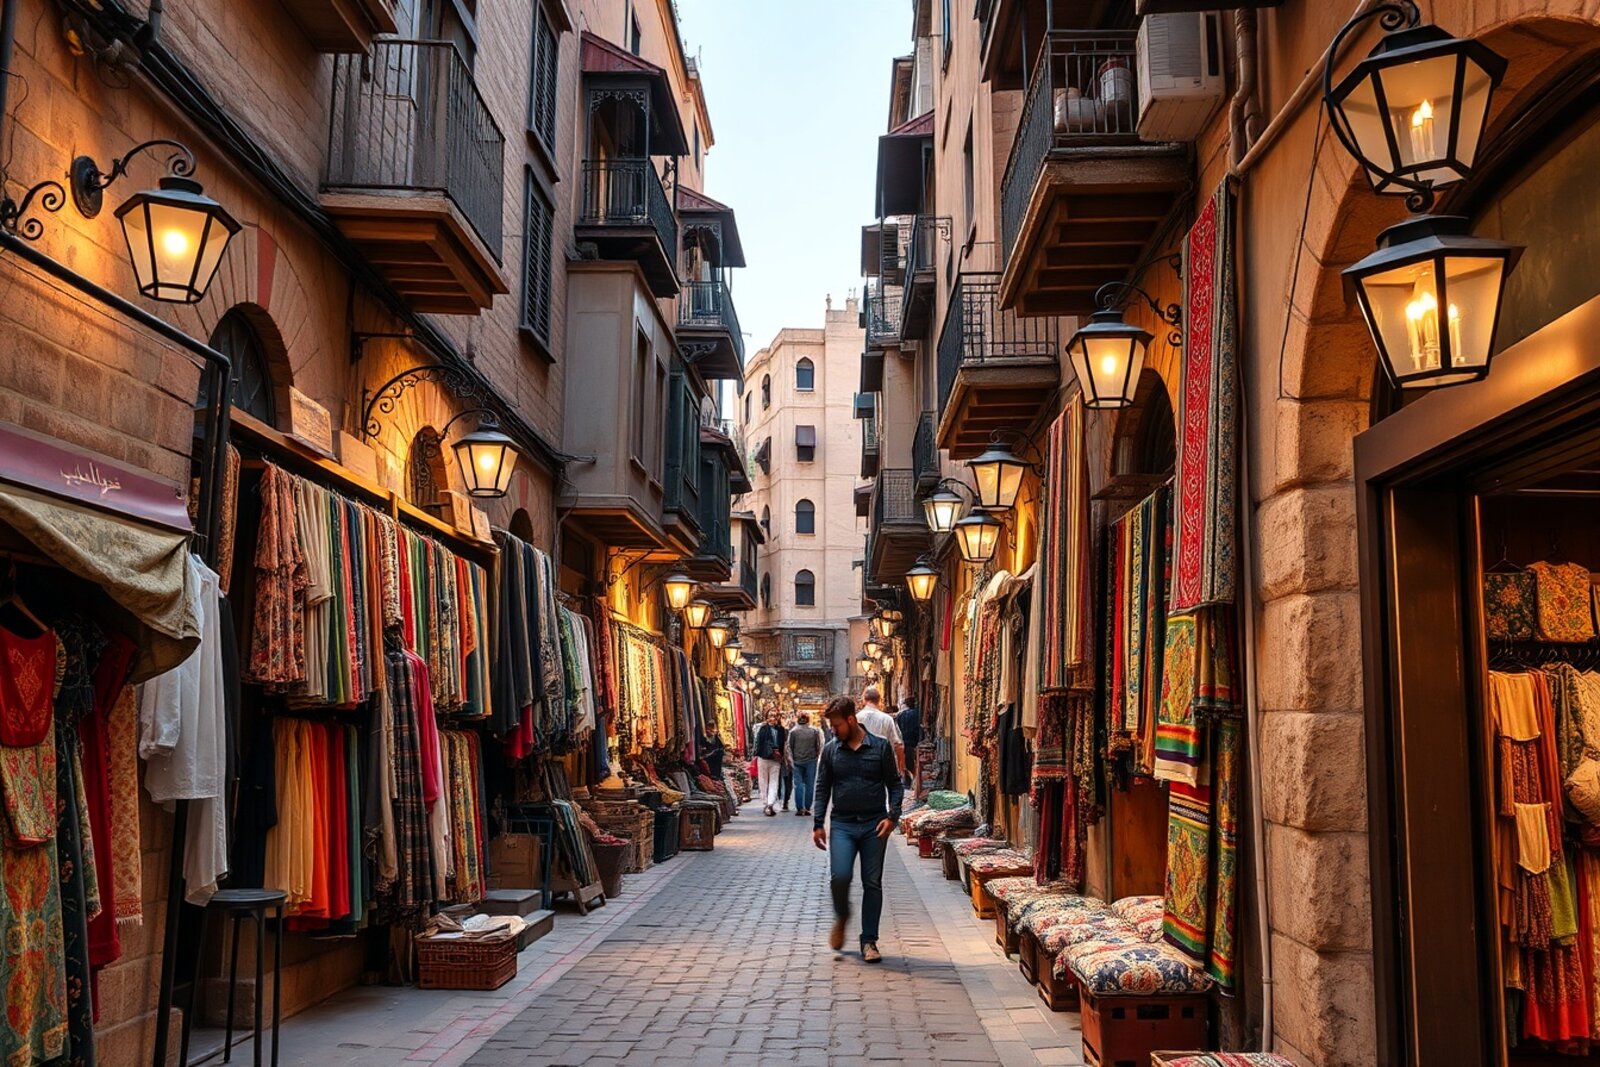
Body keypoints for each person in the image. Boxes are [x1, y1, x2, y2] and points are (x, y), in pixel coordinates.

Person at [813, 695, 903, 964]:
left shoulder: (880, 747)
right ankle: (842, 915)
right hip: (842, 823)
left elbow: (895, 785)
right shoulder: (831, 750)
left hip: (874, 824)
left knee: (871, 882)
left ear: (851, 720)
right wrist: (818, 823)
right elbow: (822, 787)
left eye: (837, 725)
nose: (833, 731)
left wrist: (892, 817)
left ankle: (869, 941)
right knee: (839, 877)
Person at [855, 687, 905, 780]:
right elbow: (898, 745)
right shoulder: (887, 719)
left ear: (864, 700)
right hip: (882, 764)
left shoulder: (856, 718)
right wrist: (900, 768)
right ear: (879, 701)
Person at [787, 712, 824, 816]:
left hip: (797, 761)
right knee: (810, 785)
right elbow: (819, 745)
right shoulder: (814, 731)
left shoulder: (793, 732)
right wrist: (817, 757)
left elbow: (789, 747)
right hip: (811, 761)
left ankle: (799, 808)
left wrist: (791, 760)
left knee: (798, 784)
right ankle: (807, 807)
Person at [754, 708, 787, 816]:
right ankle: (768, 803)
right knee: (765, 782)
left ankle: (769, 803)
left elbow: (758, 743)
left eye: (774, 715)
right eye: (770, 715)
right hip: (767, 758)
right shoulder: (765, 728)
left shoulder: (765, 728)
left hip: (772, 759)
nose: (772, 718)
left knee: (771, 782)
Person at [895, 696, 922, 790]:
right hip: (917, 741)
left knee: (908, 763)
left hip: (906, 742)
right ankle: (915, 782)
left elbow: (898, 730)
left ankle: (909, 783)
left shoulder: (900, 715)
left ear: (906, 704)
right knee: (917, 763)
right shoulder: (919, 713)